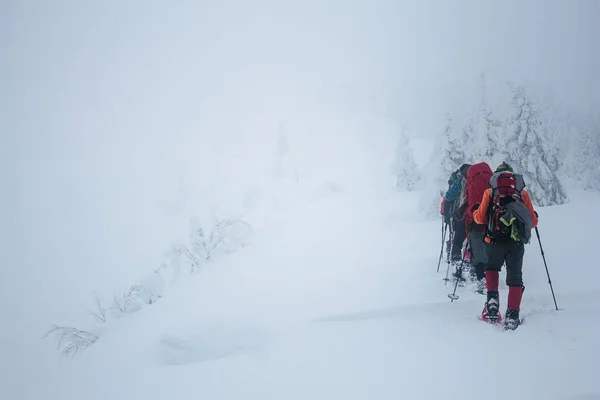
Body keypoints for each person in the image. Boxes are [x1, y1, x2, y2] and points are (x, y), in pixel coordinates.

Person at [472, 162, 538, 330]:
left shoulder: (490, 192)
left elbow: (479, 219)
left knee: (492, 268)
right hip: (515, 243)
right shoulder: (522, 194)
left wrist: (475, 211)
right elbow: (532, 222)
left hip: (493, 241)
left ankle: (492, 303)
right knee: (515, 277)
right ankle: (512, 315)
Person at [463, 162, 493, 294]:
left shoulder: (470, 185)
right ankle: (491, 283)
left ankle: (481, 281)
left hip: (476, 225)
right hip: (492, 224)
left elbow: (469, 206)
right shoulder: (492, 183)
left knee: (478, 254)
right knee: (490, 253)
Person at [444, 164, 470, 267]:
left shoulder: (460, 181)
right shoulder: (476, 179)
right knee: (474, 241)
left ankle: (456, 263)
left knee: (457, 240)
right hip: (478, 215)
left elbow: (449, 195)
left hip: (461, 215)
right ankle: (473, 264)